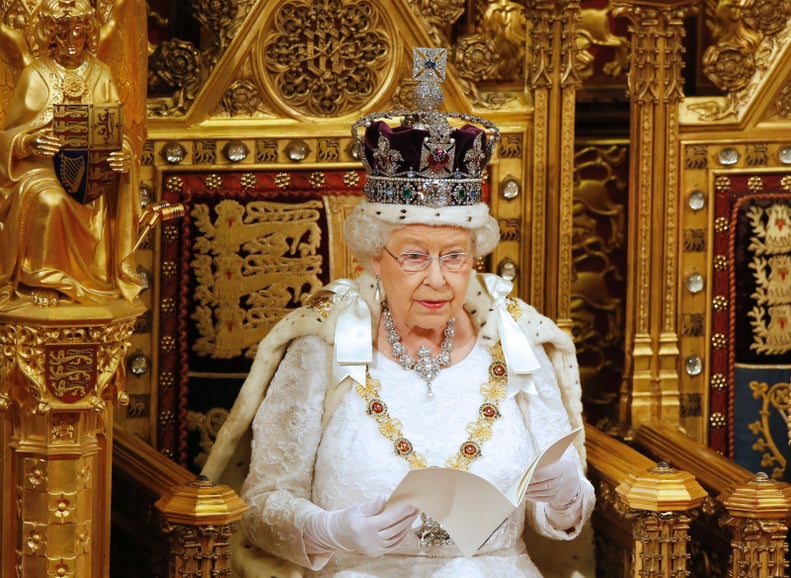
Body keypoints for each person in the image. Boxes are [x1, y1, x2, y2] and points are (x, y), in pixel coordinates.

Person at [201, 48, 594, 577]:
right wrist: (329, 531)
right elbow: (263, 503)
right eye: (413, 255)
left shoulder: (515, 341)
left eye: (454, 256)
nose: (437, 278)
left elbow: (562, 518)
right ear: (372, 257)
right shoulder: (323, 344)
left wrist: (567, 493)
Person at [0, 0, 141, 308]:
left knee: (84, 197)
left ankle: (90, 280)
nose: (70, 41)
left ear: (88, 34)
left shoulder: (101, 74)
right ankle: (44, 278)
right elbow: (8, 136)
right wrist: (29, 143)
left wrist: (122, 156)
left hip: (90, 173)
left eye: (77, 33)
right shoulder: (36, 75)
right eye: (62, 33)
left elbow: (117, 134)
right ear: (50, 34)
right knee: (51, 201)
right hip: (41, 171)